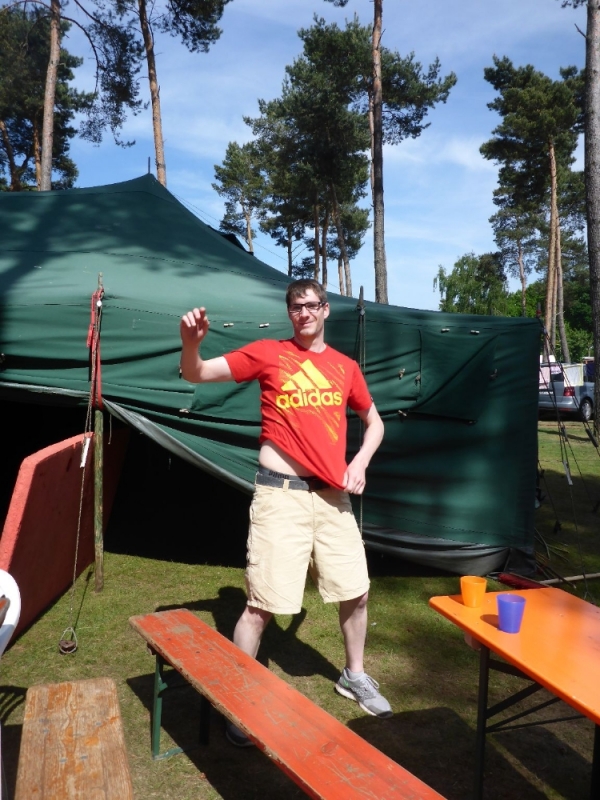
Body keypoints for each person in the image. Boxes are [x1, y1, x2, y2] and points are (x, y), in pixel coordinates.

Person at [179, 279, 391, 746]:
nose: (304, 313)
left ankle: (354, 675)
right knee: (261, 607)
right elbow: (197, 373)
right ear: (289, 312)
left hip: (332, 498)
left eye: (312, 305)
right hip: (280, 497)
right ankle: (238, 702)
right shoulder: (268, 354)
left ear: (326, 309)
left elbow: (374, 422)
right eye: (296, 306)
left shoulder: (345, 367)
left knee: (356, 591)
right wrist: (191, 344)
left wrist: (360, 461)